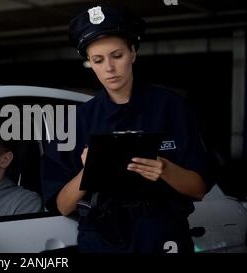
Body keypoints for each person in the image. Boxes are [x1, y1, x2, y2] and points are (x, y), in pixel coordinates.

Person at [41, 5, 214, 253]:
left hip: (163, 237)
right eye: (98, 60)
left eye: (117, 55)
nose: (109, 68)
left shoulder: (173, 107)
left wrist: (165, 169)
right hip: (101, 242)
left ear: (133, 52)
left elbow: (198, 189)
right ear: (89, 63)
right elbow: (61, 205)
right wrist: (88, 173)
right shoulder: (76, 121)